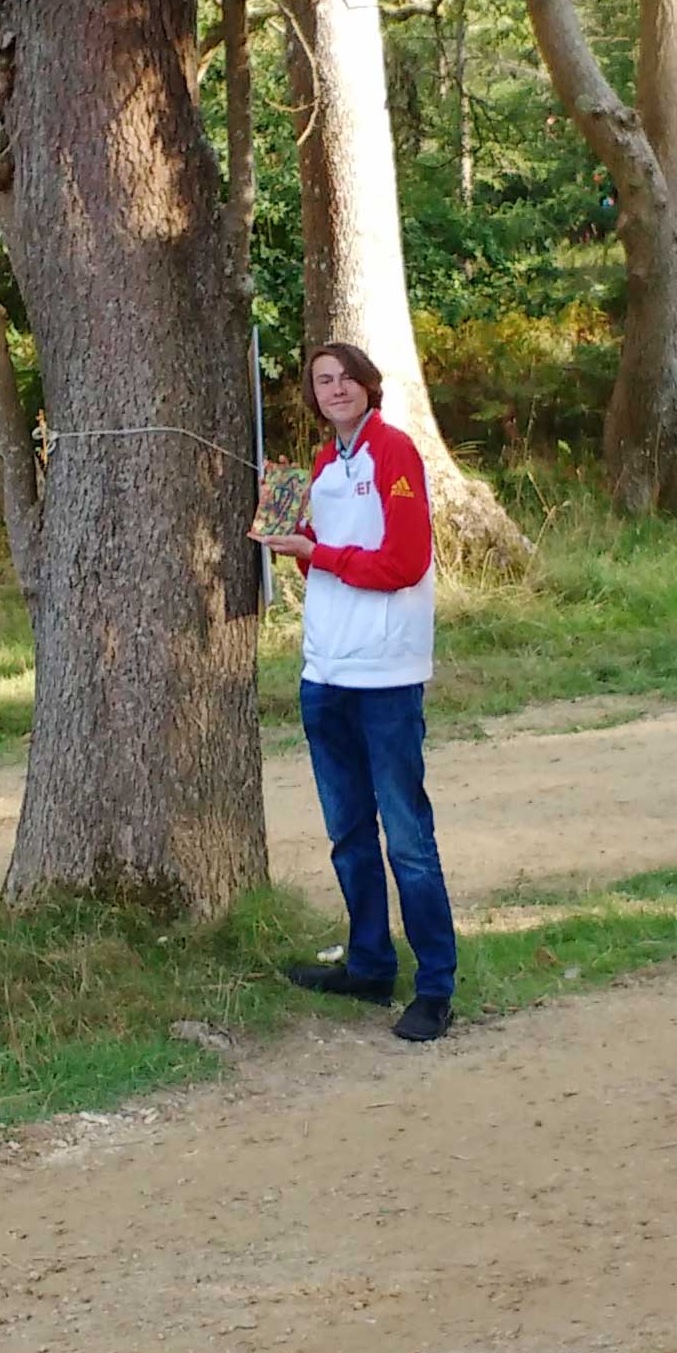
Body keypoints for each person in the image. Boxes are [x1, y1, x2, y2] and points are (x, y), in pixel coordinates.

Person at [253, 341, 456, 1042]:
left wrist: (321, 554)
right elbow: (324, 560)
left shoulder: (393, 452)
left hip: (386, 674)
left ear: (368, 384)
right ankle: (369, 965)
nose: (335, 389)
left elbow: (404, 562)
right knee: (347, 832)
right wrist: (291, 533)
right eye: (322, 381)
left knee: (407, 837)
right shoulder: (322, 463)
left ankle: (435, 986)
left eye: (345, 378)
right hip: (326, 672)